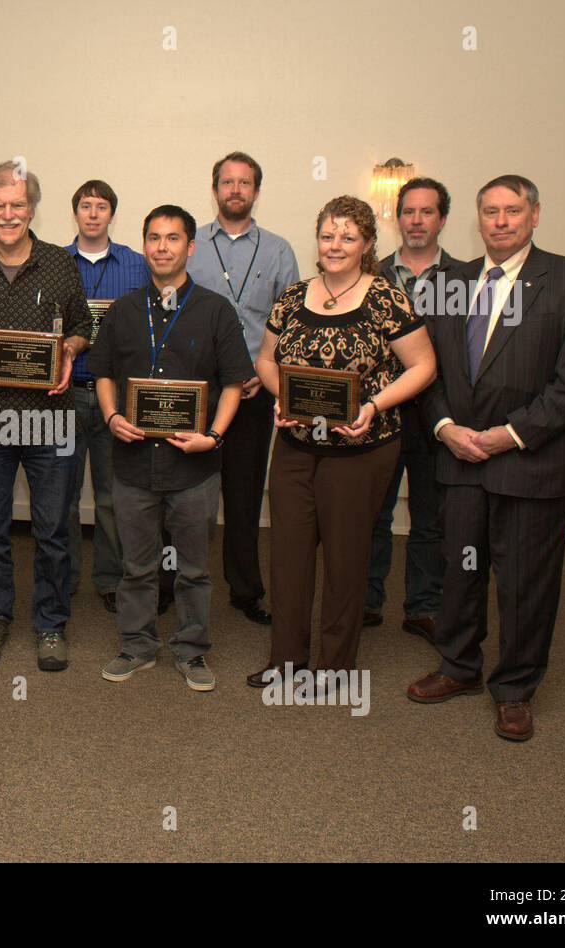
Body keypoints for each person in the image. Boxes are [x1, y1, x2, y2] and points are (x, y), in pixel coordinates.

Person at [406, 174, 565, 742]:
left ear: (534, 216)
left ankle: (515, 688)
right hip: (460, 457)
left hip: (530, 461)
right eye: (490, 211)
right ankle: (458, 667)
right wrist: (445, 427)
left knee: (524, 582)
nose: (500, 221)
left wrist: (508, 436)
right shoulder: (450, 280)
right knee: (460, 571)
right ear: (478, 218)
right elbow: (428, 369)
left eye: (512, 211)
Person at [250, 196, 436, 691]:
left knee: (346, 558)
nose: (336, 246)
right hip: (294, 446)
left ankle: (334, 668)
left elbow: (423, 366)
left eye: (348, 237)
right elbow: (266, 362)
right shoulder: (292, 297)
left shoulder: (385, 298)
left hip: (362, 449)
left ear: (368, 245)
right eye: (328, 235)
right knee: (287, 556)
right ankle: (285, 663)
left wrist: (373, 405)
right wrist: (281, 394)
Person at [90, 205, 250, 692]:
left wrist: (216, 436)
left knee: (194, 569)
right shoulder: (123, 310)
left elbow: (233, 383)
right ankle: (137, 646)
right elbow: (100, 372)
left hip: (194, 467)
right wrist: (113, 417)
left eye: (173, 238)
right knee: (136, 566)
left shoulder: (216, 309)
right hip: (134, 465)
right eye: (154, 238)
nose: (163, 247)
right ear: (145, 247)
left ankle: (192, 650)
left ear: (189, 247)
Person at [0, 160, 91, 671]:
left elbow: (82, 326)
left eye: (18, 205)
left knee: (52, 529)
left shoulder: (58, 262)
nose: (9, 214)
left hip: (50, 418)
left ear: (32, 209)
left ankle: (50, 624)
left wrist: (68, 352)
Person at [187, 151, 299, 625]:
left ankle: (245, 588)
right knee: (186, 495)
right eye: (227, 182)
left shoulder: (278, 250)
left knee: (244, 493)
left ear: (256, 190)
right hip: (198, 393)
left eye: (244, 183)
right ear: (215, 189)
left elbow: (293, 323)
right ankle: (174, 580)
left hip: (255, 392)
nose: (235, 190)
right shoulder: (189, 244)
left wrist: (263, 373)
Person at [364, 177, 465, 641]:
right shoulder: (372, 277)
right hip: (380, 417)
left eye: (427, 212)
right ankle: (365, 601)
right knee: (371, 515)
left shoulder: (468, 280)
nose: (417, 220)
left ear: (442, 219)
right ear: (397, 217)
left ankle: (423, 606)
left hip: (440, 420)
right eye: (408, 211)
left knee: (431, 518)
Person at [63, 180, 150, 614]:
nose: (93, 213)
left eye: (101, 207)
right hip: (65, 393)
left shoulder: (136, 265)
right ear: (75, 213)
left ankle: (112, 579)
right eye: (85, 206)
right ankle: (63, 579)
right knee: (61, 492)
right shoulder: (53, 262)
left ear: (112, 213)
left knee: (114, 494)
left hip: (116, 396)